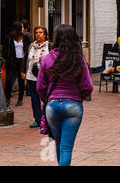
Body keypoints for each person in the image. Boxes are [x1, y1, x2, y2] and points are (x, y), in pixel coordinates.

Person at [37, 24, 93, 166]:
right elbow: (88, 86)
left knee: (59, 143)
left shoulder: (48, 58)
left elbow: (40, 87)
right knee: (66, 147)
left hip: (52, 105)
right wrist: (80, 96)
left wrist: (48, 98)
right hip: (73, 105)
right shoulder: (78, 59)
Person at [21, 26, 52, 128]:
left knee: (45, 98)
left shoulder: (50, 46)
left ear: (45, 35)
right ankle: (37, 119)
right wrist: (22, 71)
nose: (38, 34)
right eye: (36, 32)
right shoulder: (31, 46)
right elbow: (25, 59)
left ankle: (47, 120)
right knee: (34, 99)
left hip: (45, 78)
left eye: (40, 32)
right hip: (31, 77)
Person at [2, 21, 31, 107]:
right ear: (17, 29)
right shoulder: (9, 38)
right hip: (11, 62)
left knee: (21, 80)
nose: (23, 29)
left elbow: (28, 48)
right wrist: (7, 59)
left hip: (21, 62)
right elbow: (4, 50)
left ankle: (20, 99)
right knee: (9, 80)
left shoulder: (25, 38)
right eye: (22, 27)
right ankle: (7, 99)